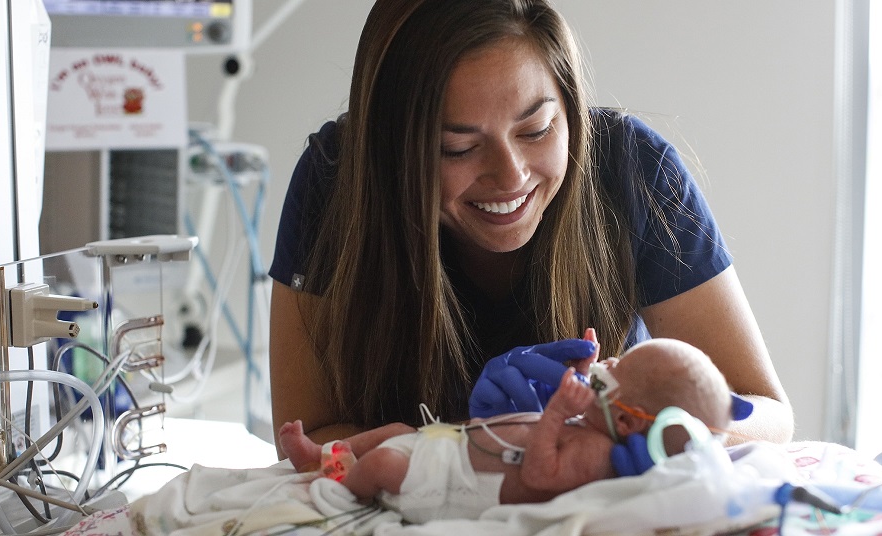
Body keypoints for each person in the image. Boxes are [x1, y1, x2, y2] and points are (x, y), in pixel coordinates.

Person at [268, 0, 793, 453]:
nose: (511, 176)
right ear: (389, 153)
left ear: (569, 108)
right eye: (458, 148)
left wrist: (628, 432)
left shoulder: (631, 170)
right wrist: (468, 445)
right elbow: (307, 435)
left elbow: (768, 413)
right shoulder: (336, 182)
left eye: (536, 129)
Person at [278, 338, 735, 523]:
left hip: (452, 481)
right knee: (395, 430)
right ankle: (320, 454)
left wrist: (556, 411)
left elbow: (540, 474)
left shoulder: (596, 456)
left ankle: (336, 489)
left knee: (382, 464)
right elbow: (585, 411)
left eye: (613, 372)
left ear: (627, 422)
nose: (609, 364)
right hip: (450, 446)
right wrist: (583, 375)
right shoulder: (596, 424)